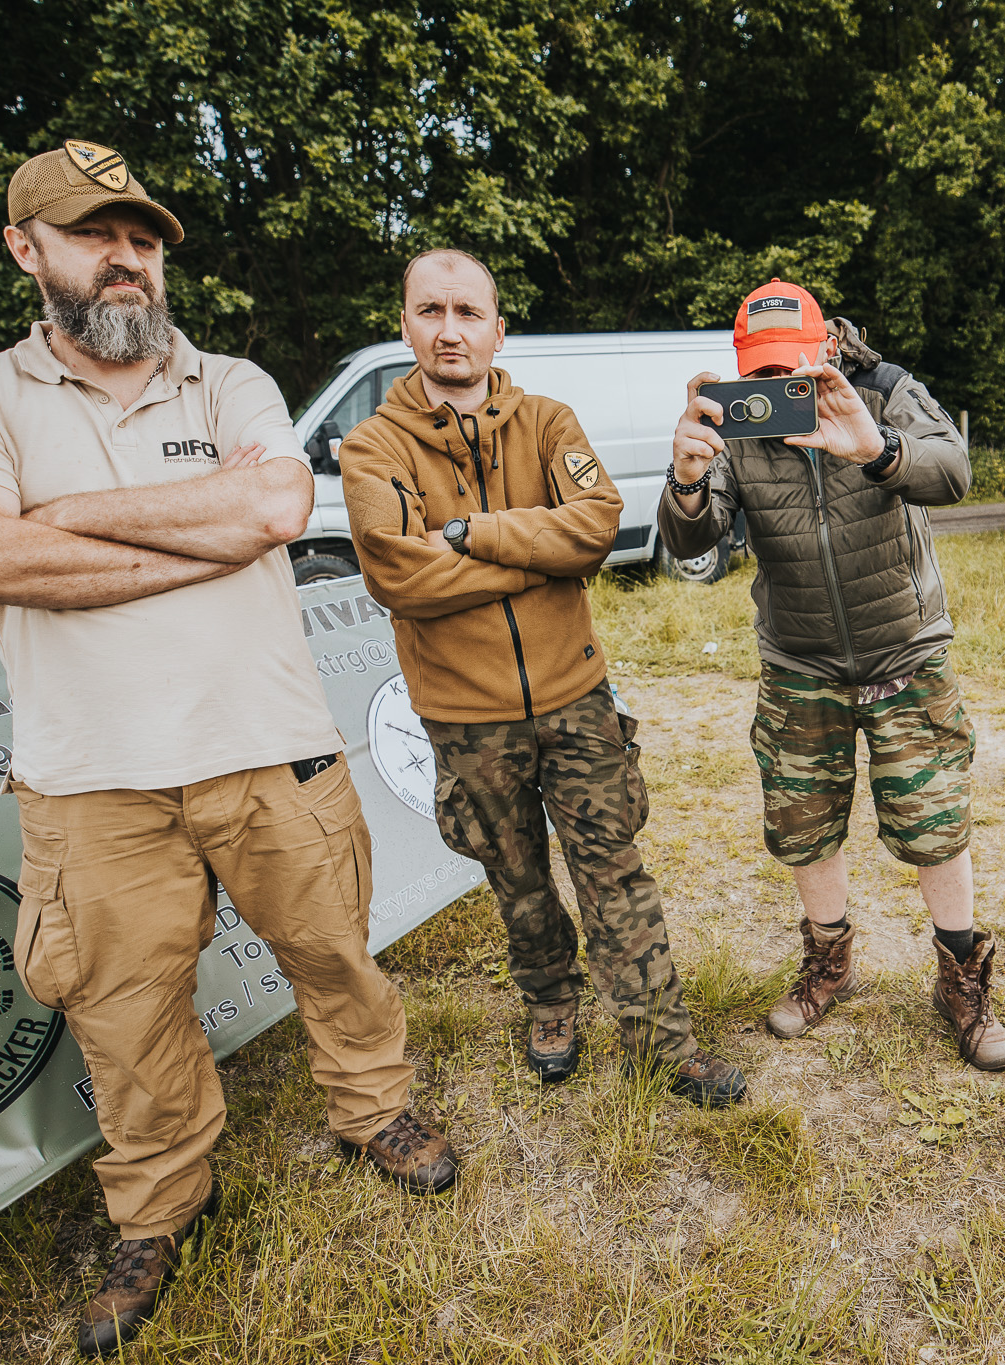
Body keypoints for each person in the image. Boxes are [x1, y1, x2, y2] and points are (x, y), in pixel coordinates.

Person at [0, 141, 451, 1357]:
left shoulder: (229, 381)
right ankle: (160, 1209)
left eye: (143, 239)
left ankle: (375, 1113)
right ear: (24, 248)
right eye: (96, 234)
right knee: (123, 1013)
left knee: (331, 953)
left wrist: (48, 520)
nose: (126, 258)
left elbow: (271, 511)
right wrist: (189, 540)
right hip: (85, 777)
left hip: (267, 748)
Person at [339, 248, 747, 1108]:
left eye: (468, 312)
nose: (450, 330)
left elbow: (594, 528)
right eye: (430, 312)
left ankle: (661, 1042)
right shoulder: (374, 446)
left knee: (613, 866)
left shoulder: (549, 421)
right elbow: (397, 577)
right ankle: (551, 1004)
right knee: (517, 877)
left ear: (498, 327)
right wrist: (536, 550)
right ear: (406, 322)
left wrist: (471, 535)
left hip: (577, 699)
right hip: (464, 717)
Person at [660, 281, 1005, 1070]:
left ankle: (960, 978)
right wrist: (685, 475)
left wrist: (876, 449)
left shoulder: (885, 391)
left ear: (827, 347)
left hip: (904, 653)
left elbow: (954, 472)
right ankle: (831, 963)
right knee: (802, 823)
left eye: (795, 370)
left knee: (935, 821)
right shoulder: (734, 417)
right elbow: (692, 546)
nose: (781, 391)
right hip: (799, 660)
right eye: (763, 372)